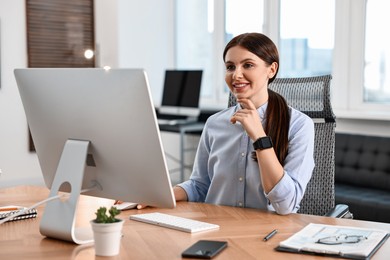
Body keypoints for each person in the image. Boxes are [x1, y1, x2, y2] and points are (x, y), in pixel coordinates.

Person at [172, 32, 315, 215]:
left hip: (267, 233)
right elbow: (200, 185)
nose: (236, 75)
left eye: (248, 65)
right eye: (230, 67)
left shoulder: (299, 125)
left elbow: (286, 205)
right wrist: (161, 195)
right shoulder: (214, 123)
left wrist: (259, 137)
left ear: (271, 70)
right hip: (216, 225)